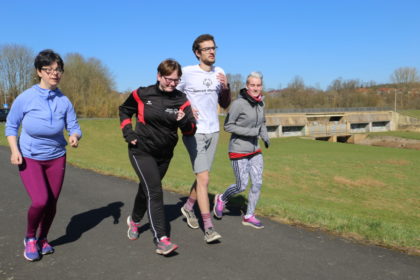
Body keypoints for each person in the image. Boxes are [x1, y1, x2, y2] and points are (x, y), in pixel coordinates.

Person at [5, 49, 82, 261]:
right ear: (39, 72)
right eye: (49, 70)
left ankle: (43, 238)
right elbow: (11, 126)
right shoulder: (26, 98)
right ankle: (30, 238)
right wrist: (14, 150)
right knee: (40, 200)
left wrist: (75, 136)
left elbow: (73, 126)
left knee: (52, 203)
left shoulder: (64, 101)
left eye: (58, 70)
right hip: (30, 155)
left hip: (56, 156)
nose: (54, 74)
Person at [119, 59, 196, 255]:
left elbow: (190, 130)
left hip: (164, 155)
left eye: (176, 80)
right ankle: (162, 239)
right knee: (155, 191)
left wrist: (184, 120)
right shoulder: (143, 94)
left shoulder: (181, 99)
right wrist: (128, 133)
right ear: (159, 76)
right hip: (141, 151)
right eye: (169, 79)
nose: (172, 84)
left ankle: (134, 220)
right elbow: (125, 110)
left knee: (146, 190)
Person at [177, 34, 231, 243]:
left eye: (214, 48)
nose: (212, 51)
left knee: (202, 177)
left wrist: (226, 87)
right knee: (205, 179)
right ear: (197, 53)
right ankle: (208, 227)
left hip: (213, 130)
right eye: (207, 49)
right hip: (194, 131)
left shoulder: (220, 72)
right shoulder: (187, 73)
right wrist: (186, 109)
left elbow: (225, 104)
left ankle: (188, 207)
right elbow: (174, 93)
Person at [213, 72, 269, 229]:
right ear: (247, 86)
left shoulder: (261, 103)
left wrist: (264, 136)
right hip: (238, 150)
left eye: (258, 85)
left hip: (255, 150)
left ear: (261, 86)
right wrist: (252, 132)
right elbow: (228, 126)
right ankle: (222, 199)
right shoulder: (239, 104)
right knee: (241, 185)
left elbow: (262, 123)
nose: (255, 88)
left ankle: (249, 215)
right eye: (252, 85)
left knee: (257, 183)